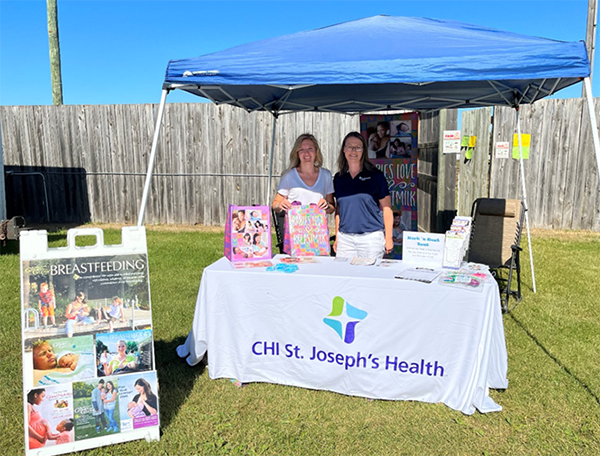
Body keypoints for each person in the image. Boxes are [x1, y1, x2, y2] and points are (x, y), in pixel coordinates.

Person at [333, 132, 394, 259]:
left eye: (358, 147)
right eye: (349, 146)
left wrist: (388, 238)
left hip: (371, 239)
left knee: (370, 278)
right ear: (344, 149)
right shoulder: (339, 178)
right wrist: (337, 236)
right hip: (345, 240)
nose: (353, 150)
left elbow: (387, 209)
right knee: (344, 277)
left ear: (363, 151)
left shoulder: (376, 176)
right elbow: (339, 210)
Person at [272, 133, 335, 215]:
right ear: (297, 153)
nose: (306, 153)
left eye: (310, 149)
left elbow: (332, 207)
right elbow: (275, 204)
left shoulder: (326, 175)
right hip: (294, 226)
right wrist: (279, 204)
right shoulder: (288, 175)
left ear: (316, 151)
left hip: (318, 227)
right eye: (302, 149)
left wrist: (327, 206)